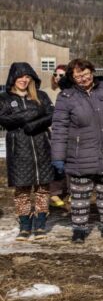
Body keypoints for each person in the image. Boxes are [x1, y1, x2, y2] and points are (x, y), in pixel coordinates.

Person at [50, 59, 103, 242]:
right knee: (80, 195)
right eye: (78, 76)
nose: (83, 78)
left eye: (86, 73)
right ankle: (79, 229)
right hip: (81, 153)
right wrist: (58, 156)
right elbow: (59, 128)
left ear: (92, 71)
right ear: (72, 78)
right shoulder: (66, 97)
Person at [0, 63, 55, 240]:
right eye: (20, 76)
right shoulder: (4, 98)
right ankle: (24, 225)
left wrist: (34, 124)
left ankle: (40, 225)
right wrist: (29, 115)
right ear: (13, 78)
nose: (24, 80)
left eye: (27, 77)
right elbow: (3, 119)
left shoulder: (41, 95)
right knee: (22, 190)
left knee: (42, 188)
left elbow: (52, 114)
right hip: (19, 149)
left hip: (42, 146)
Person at [47, 64, 69, 207]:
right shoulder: (48, 93)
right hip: (52, 133)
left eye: (62, 75)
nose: (58, 77)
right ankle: (54, 193)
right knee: (56, 162)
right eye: (56, 74)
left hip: (71, 133)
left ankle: (72, 191)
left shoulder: (71, 93)